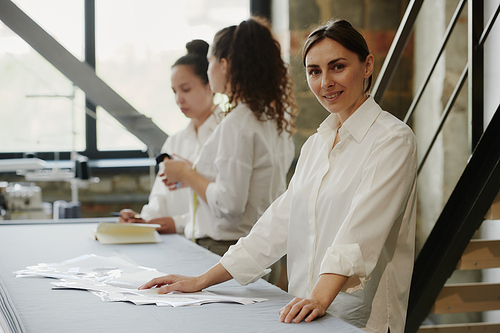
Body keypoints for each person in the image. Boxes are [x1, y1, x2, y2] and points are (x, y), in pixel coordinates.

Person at [139, 19, 417, 333]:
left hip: (358, 316)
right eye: (314, 71)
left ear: (367, 66)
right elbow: (277, 224)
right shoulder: (317, 144)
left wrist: (319, 297)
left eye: (337, 67)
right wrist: (203, 279)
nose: (325, 82)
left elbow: (361, 231)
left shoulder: (393, 140)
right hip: (303, 311)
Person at [153, 17, 296, 263]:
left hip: (226, 248)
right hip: (261, 245)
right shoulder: (270, 116)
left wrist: (187, 174)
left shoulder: (237, 124)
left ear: (224, 65)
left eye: (209, 62)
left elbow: (229, 207)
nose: (208, 70)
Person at [119, 39, 222, 230]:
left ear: (210, 85)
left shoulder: (227, 134)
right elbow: (159, 199)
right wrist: (140, 219)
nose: (178, 99)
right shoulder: (175, 143)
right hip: (176, 247)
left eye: (186, 89)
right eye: (174, 91)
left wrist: (179, 223)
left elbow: (229, 204)